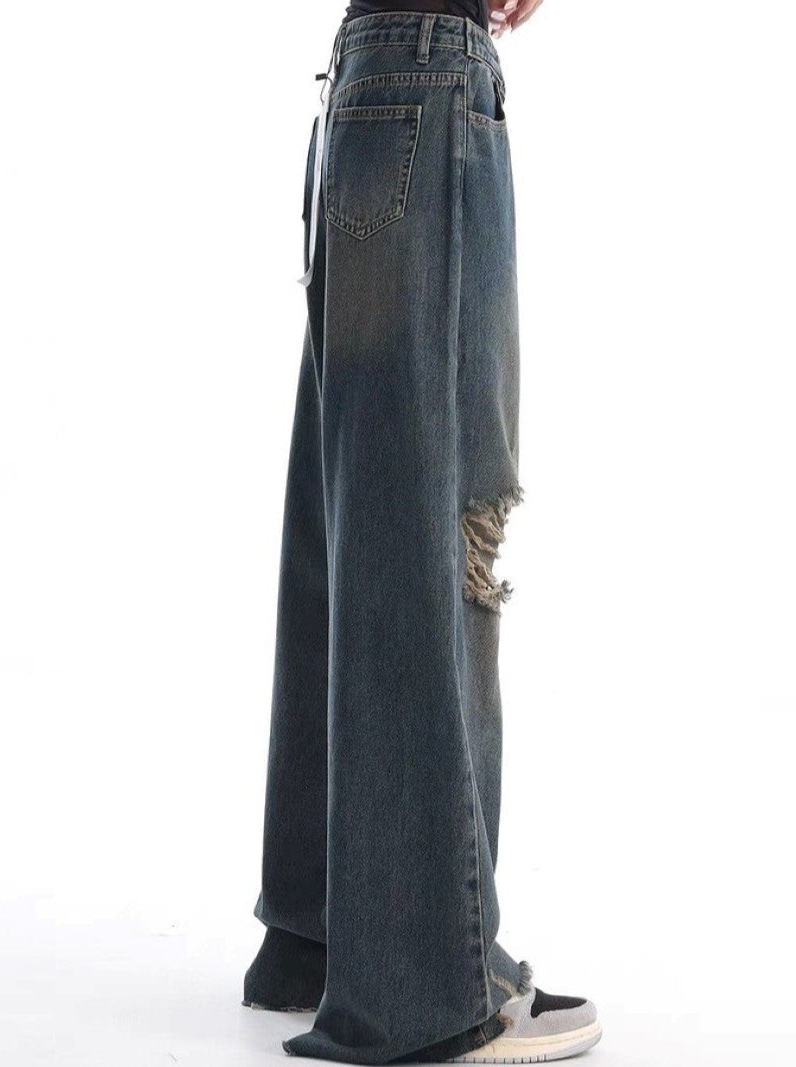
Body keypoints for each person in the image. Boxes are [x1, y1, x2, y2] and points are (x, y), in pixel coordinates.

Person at [244, 2, 601, 1062]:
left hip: (371, 80)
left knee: (355, 513)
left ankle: (320, 934)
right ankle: (420, 984)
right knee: (429, 525)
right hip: (428, 79)